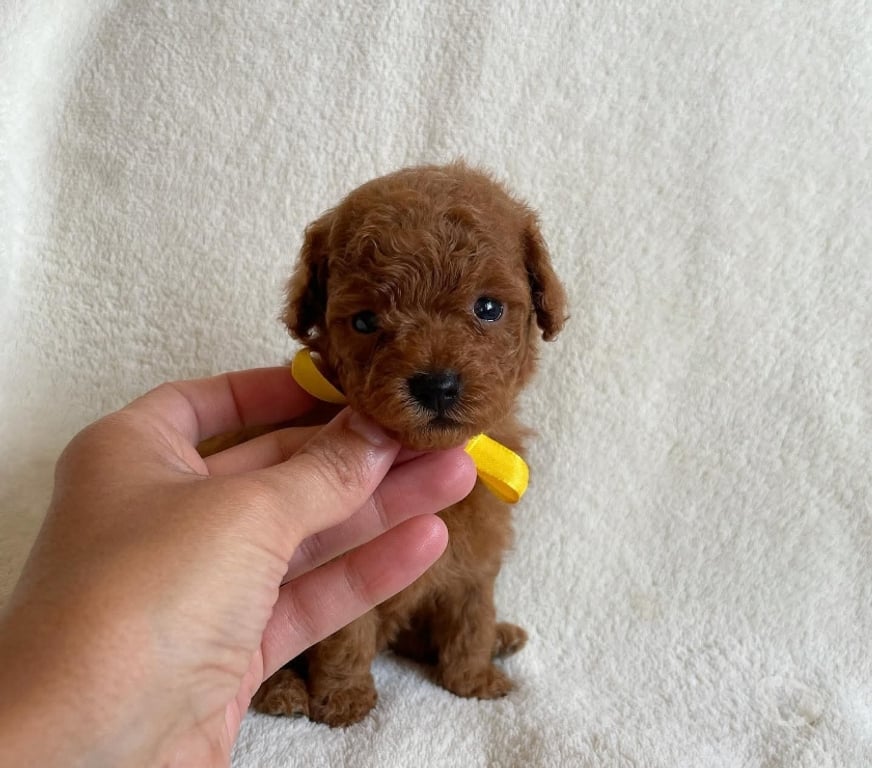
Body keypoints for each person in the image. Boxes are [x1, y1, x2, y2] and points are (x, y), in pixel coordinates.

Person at [0, 367, 477, 767]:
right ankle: (279, 678)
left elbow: (476, 571)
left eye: (489, 310)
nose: (433, 366)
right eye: (369, 323)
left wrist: (468, 657)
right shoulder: (302, 437)